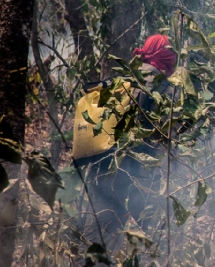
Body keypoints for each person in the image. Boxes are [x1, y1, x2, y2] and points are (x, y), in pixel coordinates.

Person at [72, 34, 177, 247]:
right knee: (161, 244)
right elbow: (168, 139)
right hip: (140, 181)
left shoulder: (121, 82)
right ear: (166, 56)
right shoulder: (164, 89)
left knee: (97, 246)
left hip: (103, 174)